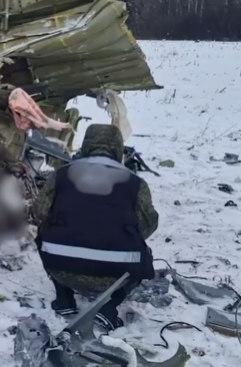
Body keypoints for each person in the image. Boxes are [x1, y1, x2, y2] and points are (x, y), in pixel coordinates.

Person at [32, 124, 159, 330]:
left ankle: (64, 297)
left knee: (44, 234)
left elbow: (39, 211)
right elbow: (147, 226)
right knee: (144, 254)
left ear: (86, 145)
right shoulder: (136, 183)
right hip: (115, 274)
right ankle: (109, 307)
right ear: (118, 148)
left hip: (61, 266)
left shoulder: (61, 174)